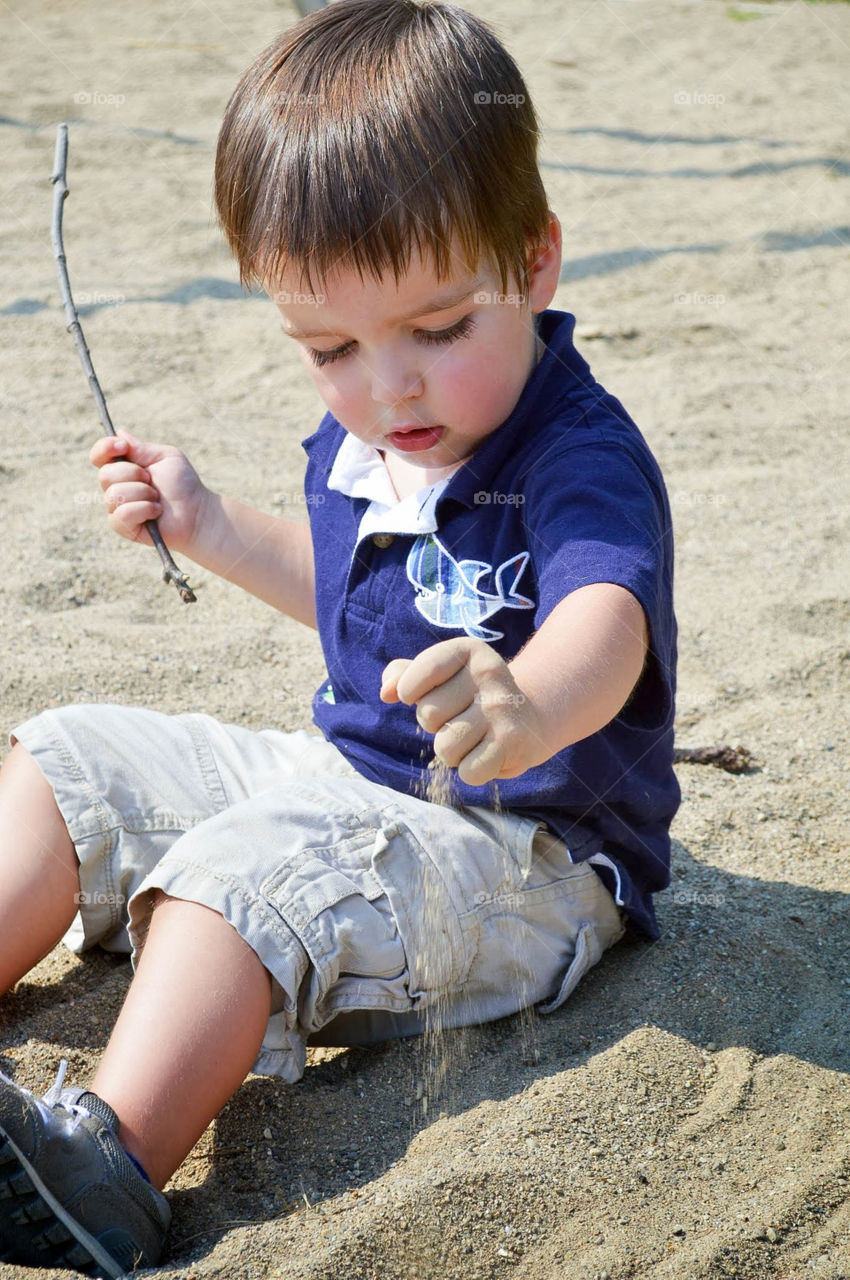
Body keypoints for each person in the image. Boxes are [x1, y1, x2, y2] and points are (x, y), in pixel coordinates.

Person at [0, 0, 679, 1273]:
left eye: (437, 329)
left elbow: (610, 619)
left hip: (529, 851)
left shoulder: (577, 456)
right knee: (73, 757)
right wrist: (208, 524)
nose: (388, 390)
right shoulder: (371, 438)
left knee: (244, 874)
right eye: (329, 347)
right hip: (353, 776)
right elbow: (351, 600)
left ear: (533, 262)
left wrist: (528, 700)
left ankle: (111, 1158)